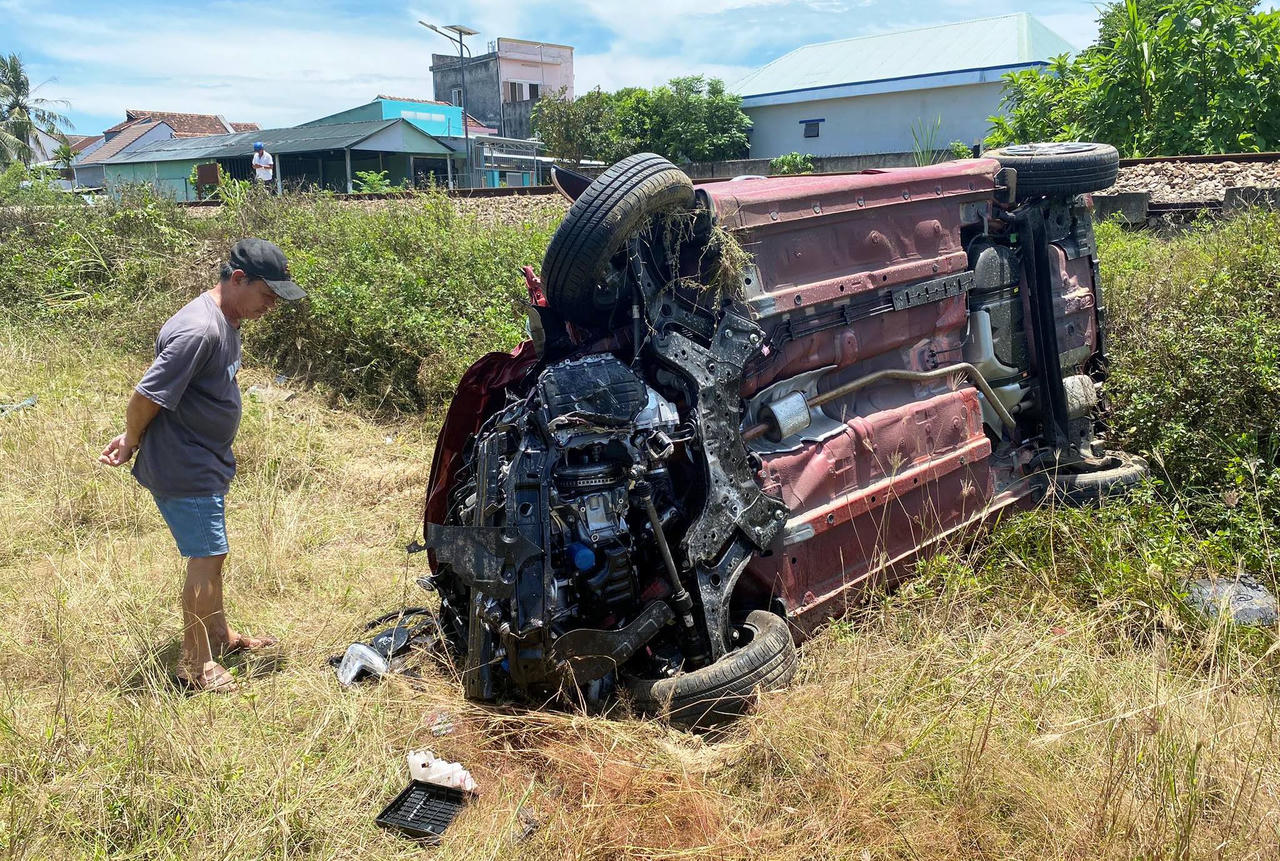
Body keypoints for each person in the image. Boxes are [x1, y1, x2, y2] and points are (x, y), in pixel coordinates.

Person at [100, 239, 306, 692]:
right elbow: (146, 395)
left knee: (213, 554)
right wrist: (131, 438)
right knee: (206, 556)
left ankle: (219, 635)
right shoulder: (200, 330)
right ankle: (194, 666)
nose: (272, 305)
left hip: (201, 459)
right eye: (267, 294)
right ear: (238, 280)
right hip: (183, 464)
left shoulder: (227, 318)